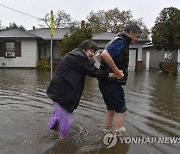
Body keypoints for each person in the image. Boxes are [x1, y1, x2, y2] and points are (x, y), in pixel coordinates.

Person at [46, 39, 115, 138]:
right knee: (66, 119)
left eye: (94, 52)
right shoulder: (79, 56)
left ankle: (51, 130)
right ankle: (64, 141)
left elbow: (89, 69)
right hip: (62, 93)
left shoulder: (76, 55)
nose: (92, 54)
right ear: (84, 49)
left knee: (57, 114)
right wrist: (111, 74)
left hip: (58, 91)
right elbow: (92, 71)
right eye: (91, 51)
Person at [97, 24, 142, 136]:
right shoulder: (121, 42)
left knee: (111, 109)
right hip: (111, 83)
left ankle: (106, 131)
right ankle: (117, 138)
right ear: (131, 33)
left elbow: (99, 56)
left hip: (105, 81)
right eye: (137, 36)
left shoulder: (116, 40)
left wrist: (107, 69)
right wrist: (116, 71)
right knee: (122, 110)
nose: (137, 39)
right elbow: (105, 54)